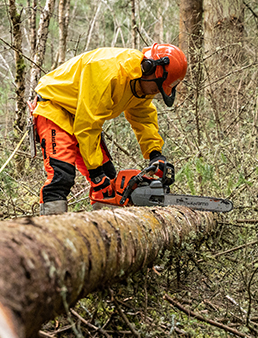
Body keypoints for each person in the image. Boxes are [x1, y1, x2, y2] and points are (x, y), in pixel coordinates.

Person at [31, 43, 188, 215]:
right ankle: (51, 231)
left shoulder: (141, 86)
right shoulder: (108, 71)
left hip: (83, 117)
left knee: (109, 182)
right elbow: (88, 124)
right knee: (62, 175)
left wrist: (155, 154)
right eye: (158, 87)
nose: (156, 93)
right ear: (148, 68)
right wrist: (96, 174)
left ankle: (105, 231)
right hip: (55, 108)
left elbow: (143, 118)